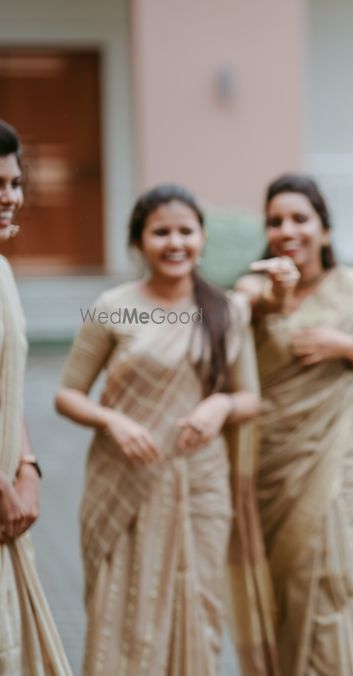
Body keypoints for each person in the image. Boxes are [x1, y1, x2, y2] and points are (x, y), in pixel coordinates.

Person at [55, 184, 277, 675]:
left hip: (200, 484)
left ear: (201, 237)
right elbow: (67, 394)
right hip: (122, 480)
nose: (174, 242)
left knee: (197, 608)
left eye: (185, 230)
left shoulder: (226, 311)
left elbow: (250, 397)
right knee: (120, 612)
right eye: (161, 232)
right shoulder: (113, 307)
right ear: (138, 242)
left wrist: (219, 405)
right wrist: (111, 420)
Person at [235, 174, 353, 675]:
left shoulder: (352, 290)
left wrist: (351, 350)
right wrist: (266, 298)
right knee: (283, 596)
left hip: (337, 468)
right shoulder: (254, 292)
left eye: (300, 219)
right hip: (271, 470)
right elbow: (229, 331)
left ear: (324, 230)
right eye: (275, 221)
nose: (287, 230)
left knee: (335, 589)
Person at [0, 119, 73, 675]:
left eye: (15, 183)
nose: (9, 198)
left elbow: (8, 384)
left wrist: (28, 467)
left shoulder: (2, 269)